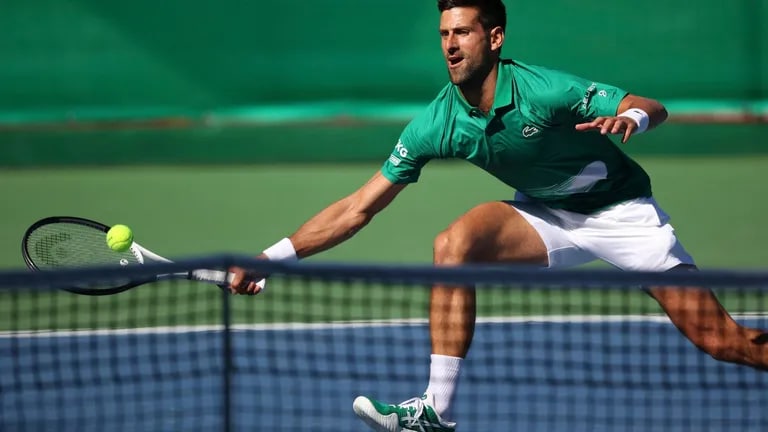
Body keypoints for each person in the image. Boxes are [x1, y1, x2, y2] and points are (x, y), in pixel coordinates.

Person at [229, 0, 768, 430]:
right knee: (454, 244)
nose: (450, 45)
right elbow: (357, 208)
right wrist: (271, 257)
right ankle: (436, 411)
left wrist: (632, 119)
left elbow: (651, 105)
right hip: (546, 215)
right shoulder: (438, 121)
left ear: (494, 38)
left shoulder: (544, 89)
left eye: (462, 32)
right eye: (444, 34)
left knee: (723, 342)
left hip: (623, 215)